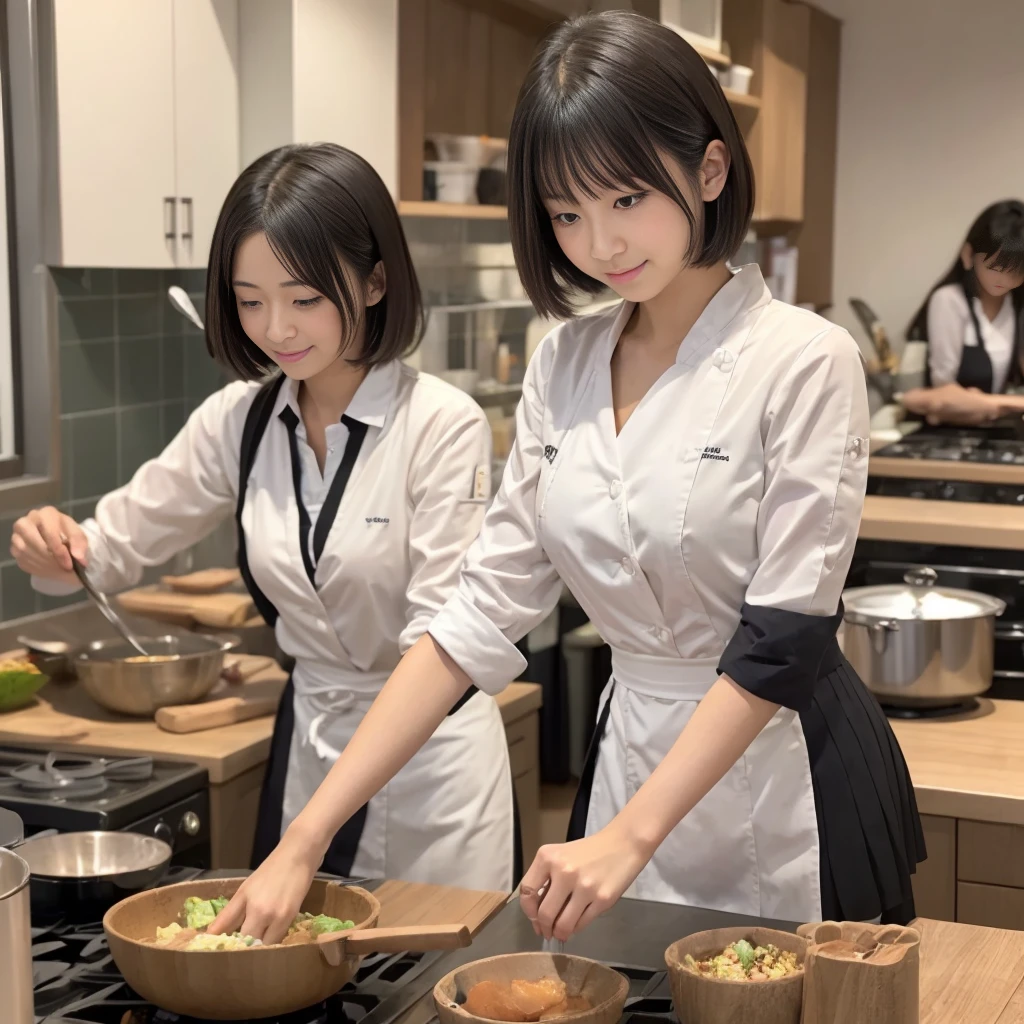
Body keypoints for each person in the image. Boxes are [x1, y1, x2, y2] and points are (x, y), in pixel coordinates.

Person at [209, 11, 924, 946]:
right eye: (566, 214)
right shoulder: (563, 364)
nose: (599, 244)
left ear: (710, 172)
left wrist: (630, 837)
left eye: (627, 198)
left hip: (791, 770)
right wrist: (306, 837)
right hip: (628, 761)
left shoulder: (804, 359)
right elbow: (479, 614)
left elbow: (783, 640)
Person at [9, 143, 514, 891]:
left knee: (426, 992)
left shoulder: (442, 427)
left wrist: (310, 833)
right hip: (311, 746)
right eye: (251, 300)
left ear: (376, 280)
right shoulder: (237, 422)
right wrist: (49, 546)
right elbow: (106, 551)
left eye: (304, 298)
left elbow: (439, 647)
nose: (276, 328)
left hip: (430, 765)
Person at [899, 200, 1024, 426]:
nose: (1004, 280)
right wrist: (1008, 404)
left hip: (1000, 434)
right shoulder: (949, 301)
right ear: (969, 255)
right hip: (949, 435)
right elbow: (944, 395)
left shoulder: (1017, 307)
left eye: (1016, 271)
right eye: (995, 268)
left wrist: (982, 402)